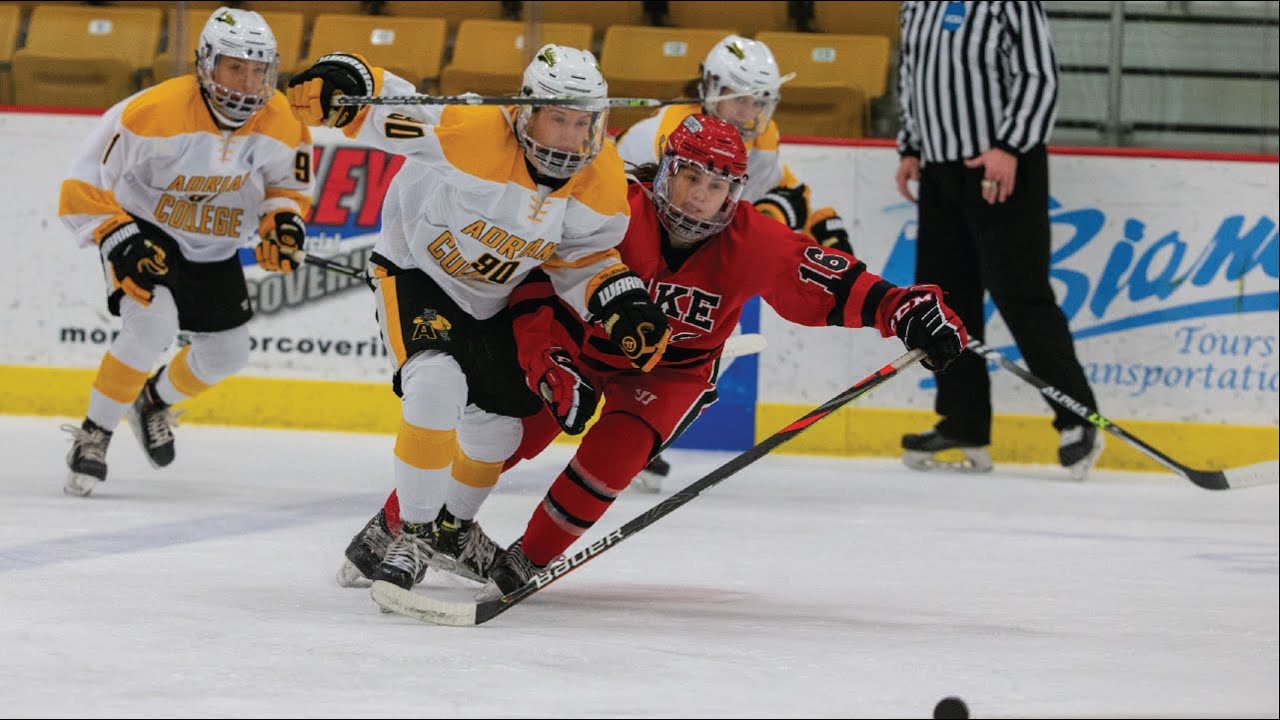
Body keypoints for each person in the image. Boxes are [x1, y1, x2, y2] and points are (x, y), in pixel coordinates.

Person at [341, 115, 969, 597]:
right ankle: (401, 526)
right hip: (582, 349)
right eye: (689, 177)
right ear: (664, 171)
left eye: (716, 184)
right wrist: (547, 364)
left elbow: (833, 282)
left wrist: (906, 309)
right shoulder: (614, 211)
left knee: (612, 457)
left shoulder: (755, 241)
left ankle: (526, 560)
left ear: (735, 192)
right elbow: (536, 287)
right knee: (506, 429)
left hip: (672, 373)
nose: (698, 197)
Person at [285, 44, 670, 592]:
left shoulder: (602, 181)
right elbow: (396, 108)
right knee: (435, 383)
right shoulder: (472, 128)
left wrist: (621, 303)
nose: (567, 137)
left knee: (498, 430)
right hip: (416, 269)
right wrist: (347, 79)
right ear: (525, 111)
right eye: (556, 118)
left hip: (494, 296)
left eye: (581, 123)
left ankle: (450, 532)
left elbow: (581, 258)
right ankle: (413, 536)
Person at [58, 8, 313, 496]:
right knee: (151, 327)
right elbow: (82, 183)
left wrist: (282, 223)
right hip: (147, 235)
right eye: (235, 66)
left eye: (259, 69)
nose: (247, 81)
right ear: (206, 64)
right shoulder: (149, 112)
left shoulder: (281, 117)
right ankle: (94, 433)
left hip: (216, 245)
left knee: (227, 354)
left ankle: (153, 401)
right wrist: (116, 234)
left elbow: (288, 187)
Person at [616, 33, 853, 492]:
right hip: (631, 250)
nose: (749, 114)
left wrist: (823, 224)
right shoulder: (665, 131)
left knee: (717, 337)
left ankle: (639, 437)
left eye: (759, 102)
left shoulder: (761, 140)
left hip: (685, 260)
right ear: (710, 89)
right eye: (739, 100)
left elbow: (774, 192)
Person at [894, 1, 1103, 479]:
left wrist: (1010, 146)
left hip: (1002, 166)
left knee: (1021, 294)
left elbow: (1038, 75)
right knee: (945, 304)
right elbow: (912, 74)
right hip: (940, 169)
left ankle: (1077, 419)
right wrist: (910, 146)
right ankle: (964, 422)